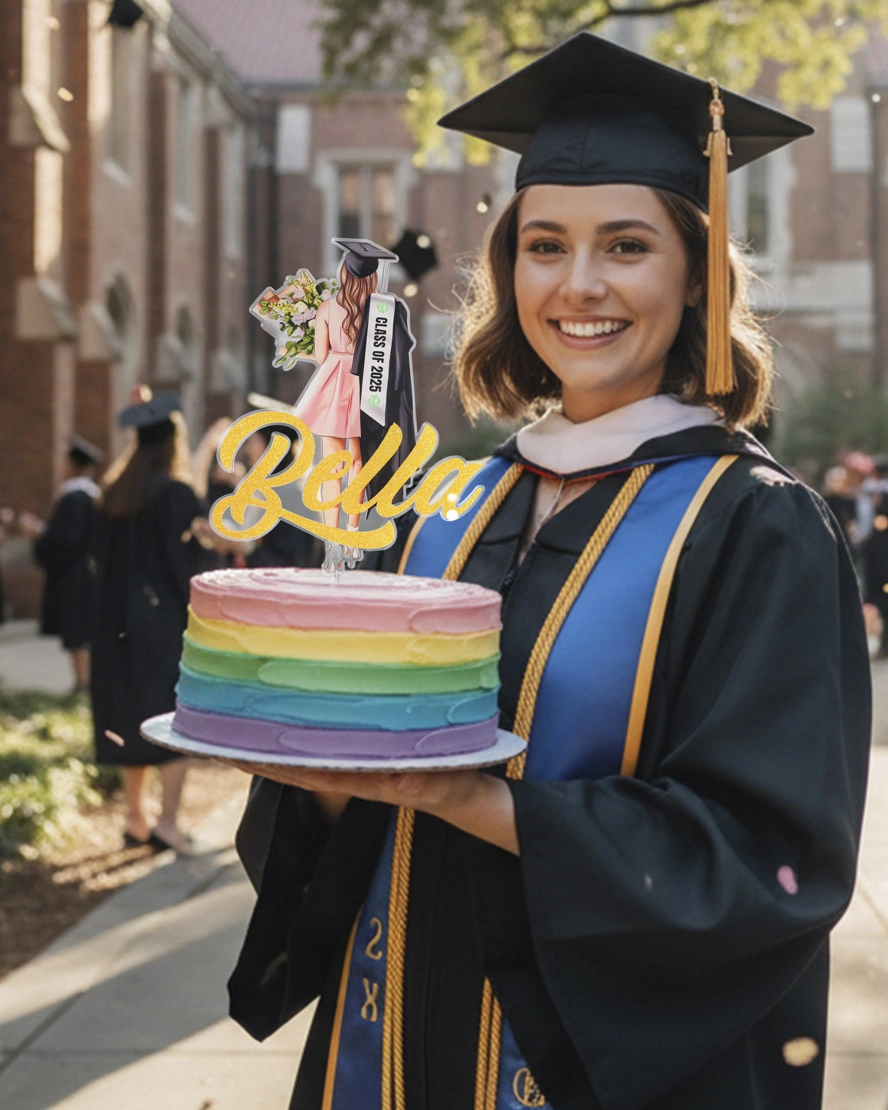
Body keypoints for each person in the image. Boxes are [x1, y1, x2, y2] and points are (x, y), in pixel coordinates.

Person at [225, 34, 871, 1110]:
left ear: (697, 273)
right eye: (543, 245)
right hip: (384, 1049)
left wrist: (471, 800)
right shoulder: (450, 504)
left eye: (626, 246)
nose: (578, 285)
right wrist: (311, 764)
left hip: (597, 1068)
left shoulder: (757, 528)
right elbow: (342, 815)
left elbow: (771, 858)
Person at [91, 388, 215, 854]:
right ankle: (166, 822)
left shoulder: (112, 494)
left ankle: (135, 818)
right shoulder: (175, 494)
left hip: (114, 625)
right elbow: (184, 568)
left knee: (126, 713)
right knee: (169, 719)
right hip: (161, 626)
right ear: (173, 441)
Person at [17, 437, 103, 691]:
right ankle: (83, 681)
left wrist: (38, 534)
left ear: (73, 465)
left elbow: (65, 540)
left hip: (74, 576)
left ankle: (83, 682)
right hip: (87, 571)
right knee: (81, 631)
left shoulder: (75, 498)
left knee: (77, 632)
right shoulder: (91, 497)